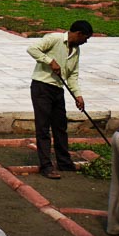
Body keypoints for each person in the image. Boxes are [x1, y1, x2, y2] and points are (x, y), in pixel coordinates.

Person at [26, 19, 93, 179]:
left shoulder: (75, 50)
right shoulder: (54, 39)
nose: (85, 42)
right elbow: (32, 49)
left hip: (58, 90)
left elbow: (73, 75)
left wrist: (78, 95)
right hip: (42, 87)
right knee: (43, 127)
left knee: (60, 126)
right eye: (85, 38)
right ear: (78, 34)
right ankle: (46, 166)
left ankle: (64, 162)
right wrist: (50, 61)